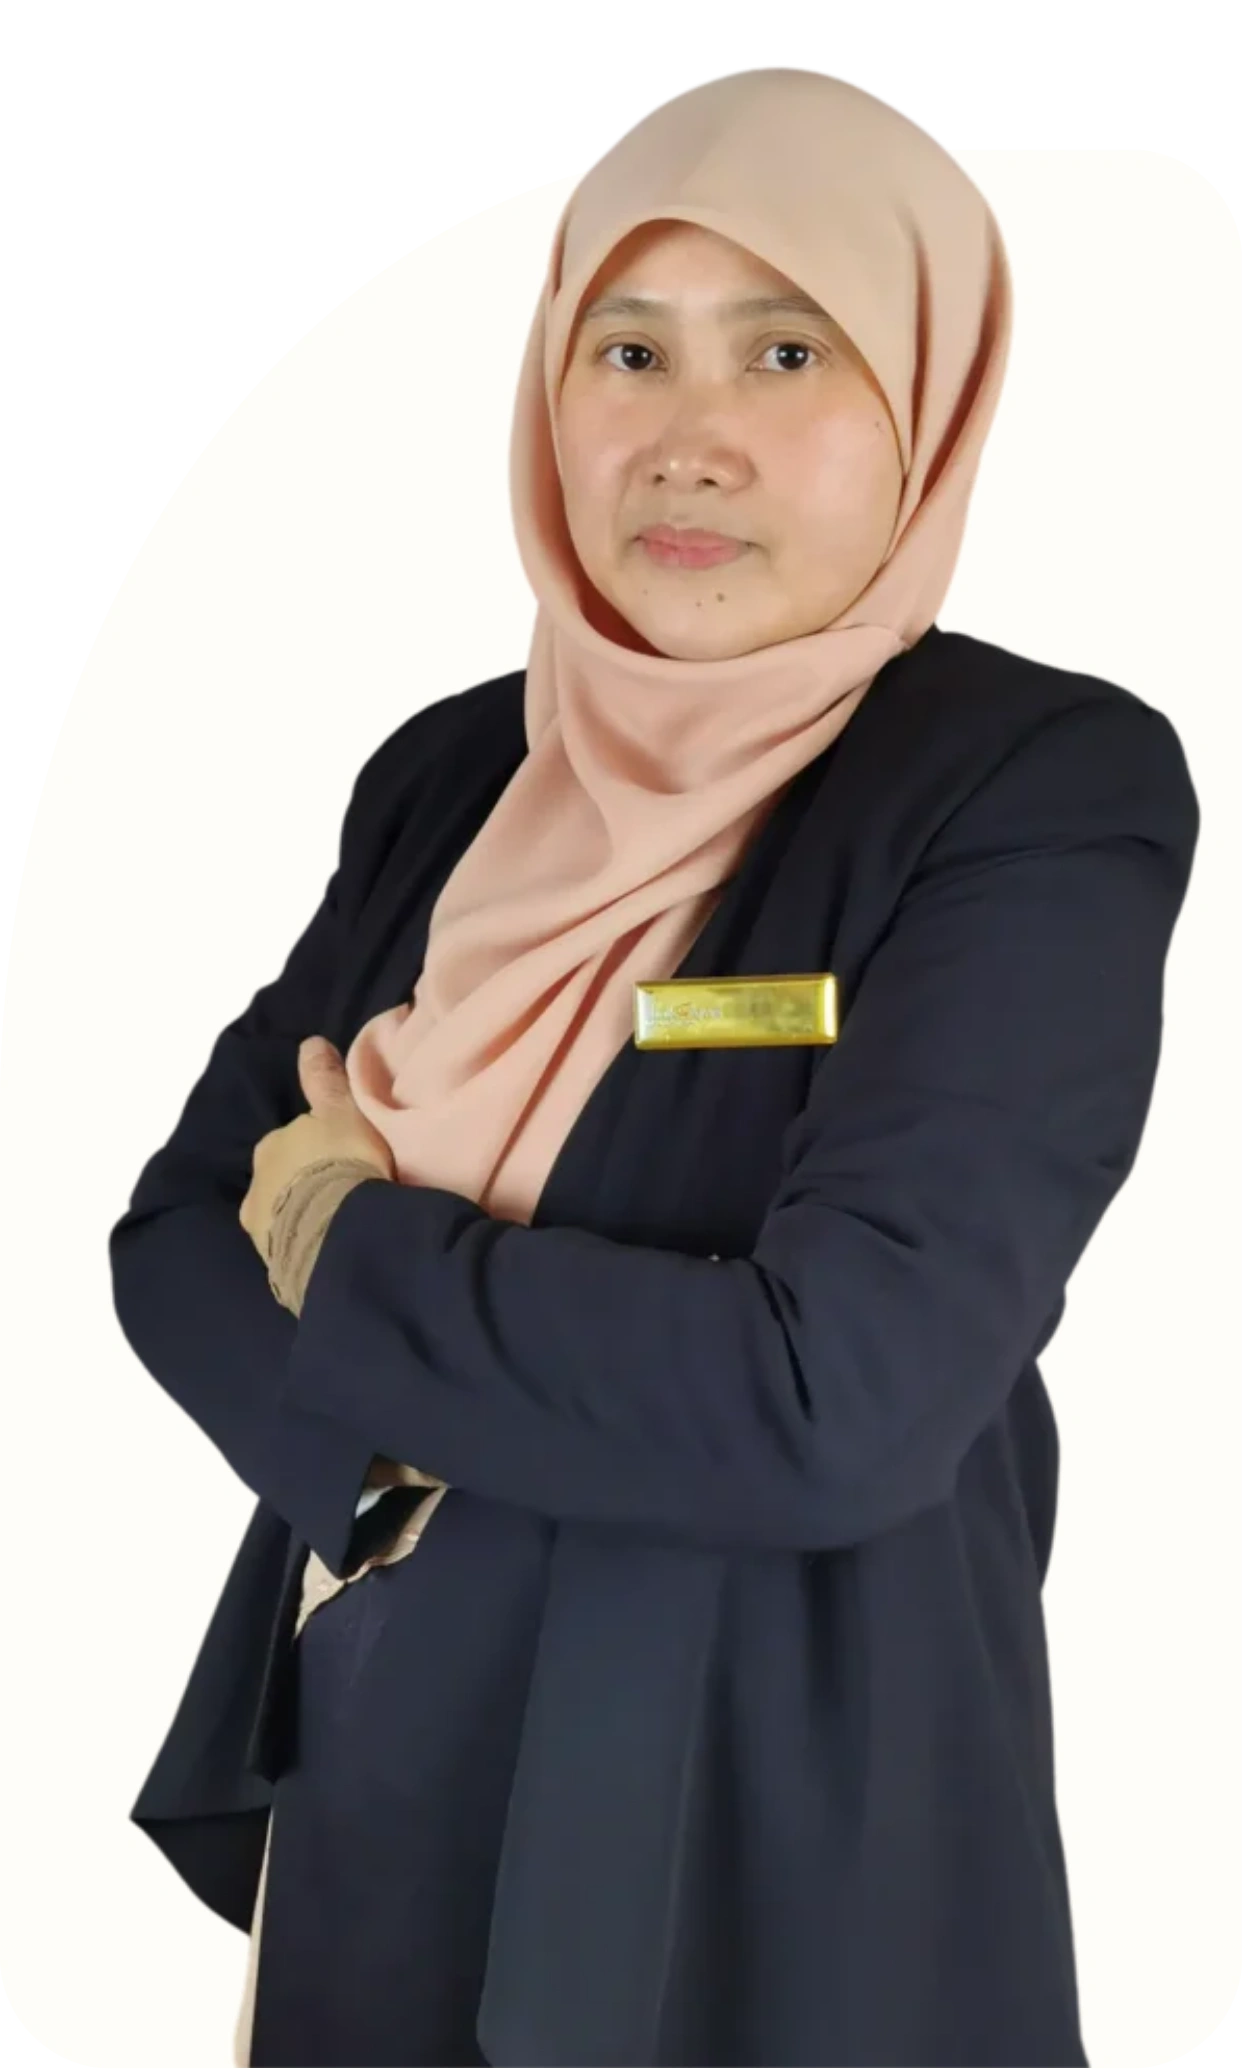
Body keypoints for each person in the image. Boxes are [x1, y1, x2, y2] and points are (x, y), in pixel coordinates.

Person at [109, 67, 1200, 2069]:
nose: (688, 437)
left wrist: (354, 1248)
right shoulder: (459, 770)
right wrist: (396, 1461)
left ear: (926, 398)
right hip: (388, 1755)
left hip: (783, 1808)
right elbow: (178, 1235)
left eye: (785, 351)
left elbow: (838, 1398)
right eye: (629, 351)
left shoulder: (1030, 789)